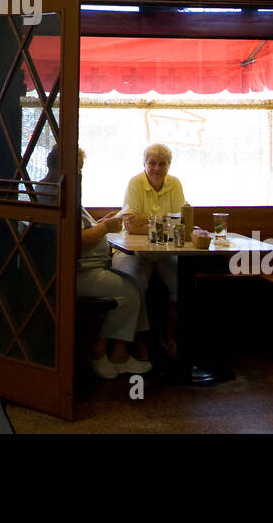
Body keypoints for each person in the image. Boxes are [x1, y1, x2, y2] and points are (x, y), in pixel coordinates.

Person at [53, 146, 153, 378]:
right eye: (78, 170)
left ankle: (121, 354)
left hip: (92, 267)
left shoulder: (66, 191)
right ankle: (99, 353)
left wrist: (101, 221)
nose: (80, 175)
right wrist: (104, 228)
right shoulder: (60, 194)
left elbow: (83, 228)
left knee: (135, 284)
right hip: (78, 273)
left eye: (81, 171)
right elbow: (75, 242)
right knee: (130, 292)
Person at [114, 142, 186, 358]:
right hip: (135, 250)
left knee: (181, 284)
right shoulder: (135, 183)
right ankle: (139, 341)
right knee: (134, 283)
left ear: (169, 166)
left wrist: (147, 221)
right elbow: (131, 225)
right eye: (152, 163)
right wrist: (164, 222)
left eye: (162, 164)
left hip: (165, 251)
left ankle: (169, 337)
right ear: (144, 164)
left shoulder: (175, 184)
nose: (156, 168)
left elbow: (180, 222)